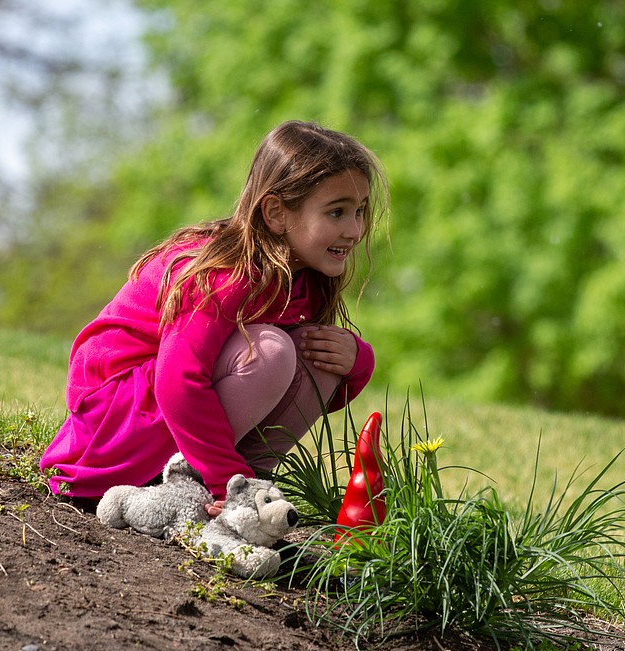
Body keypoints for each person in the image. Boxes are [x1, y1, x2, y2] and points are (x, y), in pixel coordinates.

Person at [40, 120, 387, 514]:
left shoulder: (304, 276)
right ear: (276, 213)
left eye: (359, 211)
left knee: (316, 357)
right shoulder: (229, 273)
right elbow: (178, 381)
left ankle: (237, 496)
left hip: (162, 420)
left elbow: (299, 392)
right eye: (337, 212)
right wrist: (225, 479)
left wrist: (359, 363)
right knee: (271, 352)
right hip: (112, 426)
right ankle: (215, 486)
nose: (355, 230)